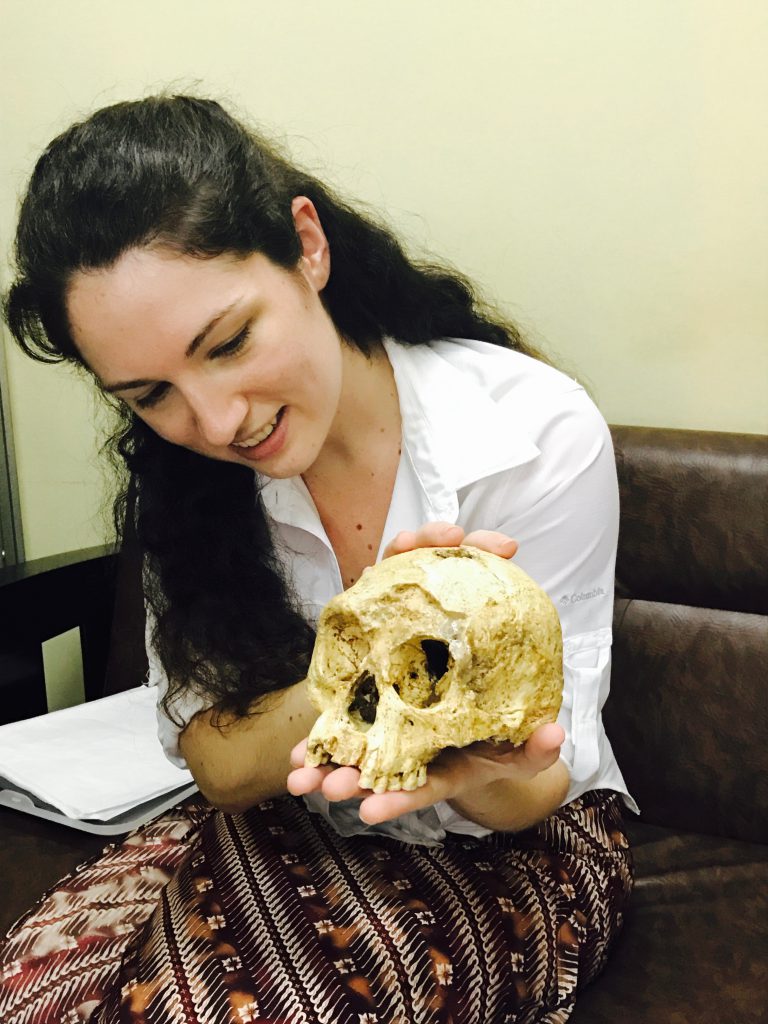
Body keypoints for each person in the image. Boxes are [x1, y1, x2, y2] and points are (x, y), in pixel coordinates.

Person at [1, 94, 636, 1024]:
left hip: (516, 837)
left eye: (228, 343)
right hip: (291, 819)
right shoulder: (190, 485)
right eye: (149, 395)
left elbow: (541, 777)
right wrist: (365, 657)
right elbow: (219, 765)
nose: (216, 422)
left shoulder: (532, 434)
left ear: (307, 245)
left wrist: (470, 756)